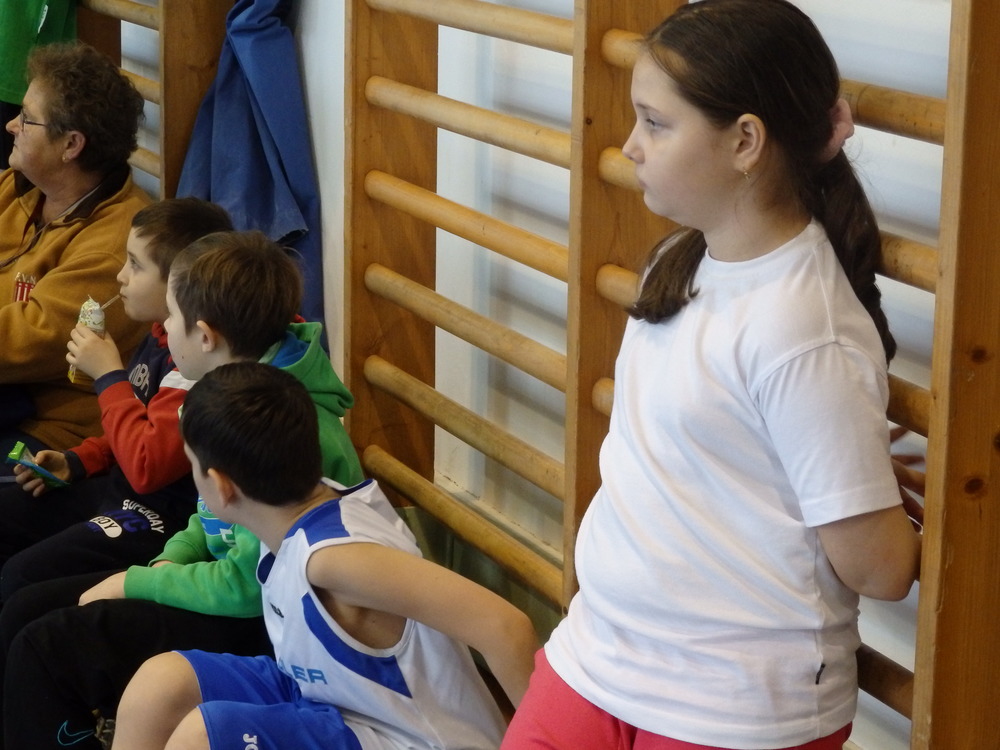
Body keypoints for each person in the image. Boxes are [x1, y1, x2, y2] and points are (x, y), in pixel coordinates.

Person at [501, 2, 922, 749]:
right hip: (601, 654)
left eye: (655, 124)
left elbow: (882, 570)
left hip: (735, 704)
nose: (630, 146)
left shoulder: (804, 326)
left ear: (745, 142)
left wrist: (884, 498)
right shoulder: (679, 260)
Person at [1, 230, 365, 750]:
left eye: (171, 317)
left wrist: (139, 582)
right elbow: (210, 516)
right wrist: (169, 561)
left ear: (206, 336)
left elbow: (248, 588)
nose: (163, 330)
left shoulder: (272, 423)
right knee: (25, 609)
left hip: (269, 624)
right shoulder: (228, 391)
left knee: (45, 647)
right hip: (221, 585)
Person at [110, 362, 537, 750]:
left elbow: (505, 627)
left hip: (404, 738)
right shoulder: (290, 509)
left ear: (221, 486)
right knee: (160, 685)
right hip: (332, 703)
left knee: (204, 737)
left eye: (191, 464)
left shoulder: (335, 560)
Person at [0, 198, 234, 604]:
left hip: (160, 517)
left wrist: (108, 375)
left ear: (179, 282)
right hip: (115, 488)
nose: (120, 276)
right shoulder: (158, 335)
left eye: (136, 265)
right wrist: (78, 460)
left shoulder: (192, 367)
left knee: (22, 580)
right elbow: (136, 426)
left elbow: (146, 467)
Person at [1, 42, 149, 473]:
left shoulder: (115, 244)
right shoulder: (22, 186)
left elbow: (23, 342)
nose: (11, 125)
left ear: (70, 144)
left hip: (51, 432)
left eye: (26, 118)